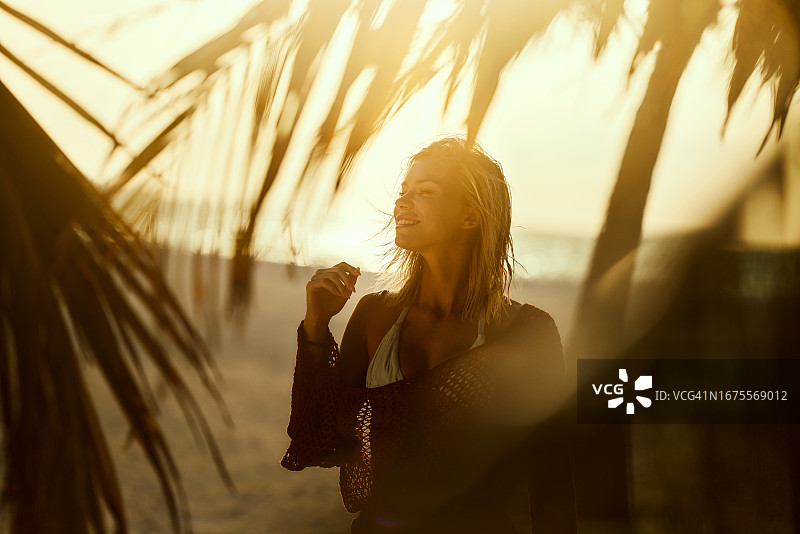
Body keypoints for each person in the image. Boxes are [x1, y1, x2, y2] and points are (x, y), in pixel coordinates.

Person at [281, 136, 576, 533]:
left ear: (470, 215)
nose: (401, 203)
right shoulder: (373, 315)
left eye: (424, 193)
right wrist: (316, 326)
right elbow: (315, 440)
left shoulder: (526, 332)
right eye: (402, 192)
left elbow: (550, 479)